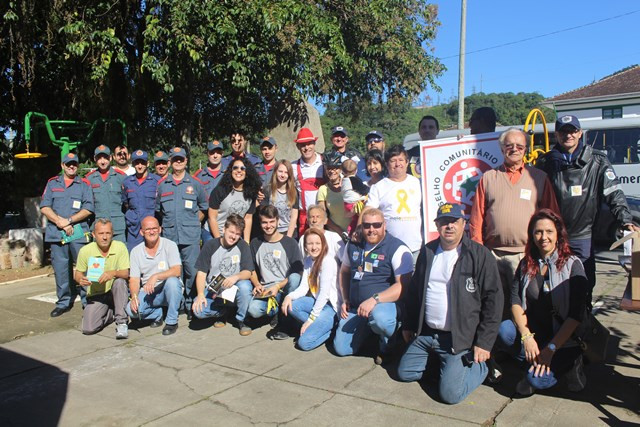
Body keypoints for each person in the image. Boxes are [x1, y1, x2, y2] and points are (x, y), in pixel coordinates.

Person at [397, 203, 503, 405]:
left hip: (459, 338)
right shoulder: (428, 251)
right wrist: (409, 324)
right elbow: (414, 293)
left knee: (450, 395)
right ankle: (445, 367)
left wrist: (484, 343)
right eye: (444, 222)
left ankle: (482, 366)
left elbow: (494, 301)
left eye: (454, 221)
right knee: (405, 372)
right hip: (428, 334)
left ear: (463, 224)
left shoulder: (479, 255)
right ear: (437, 226)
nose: (449, 226)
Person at [536, 115, 637, 309]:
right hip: (553, 236)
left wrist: (625, 219)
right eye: (564, 131)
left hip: (583, 236)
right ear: (557, 134)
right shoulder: (545, 162)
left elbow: (614, 193)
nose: (568, 135)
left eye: (572, 131)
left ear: (580, 133)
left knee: (584, 282)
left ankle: (584, 318)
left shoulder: (598, 161)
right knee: (552, 284)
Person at [496, 209, 588, 396]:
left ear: (558, 234)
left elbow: (576, 315)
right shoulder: (526, 264)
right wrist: (526, 337)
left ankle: (571, 365)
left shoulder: (573, 264)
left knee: (535, 380)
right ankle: (533, 363)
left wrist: (551, 348)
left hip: (563, 341)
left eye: (549, 231)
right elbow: (515, 301)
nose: (543, 237)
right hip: (535, 335)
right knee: (504, 330)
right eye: (538, 232)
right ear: (532, 235)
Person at [469, 128, 560, 319]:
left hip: (526, 254)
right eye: (509, 145)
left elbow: (552, 216)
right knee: (494, 306)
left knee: (527, 304)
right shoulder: (488, 177)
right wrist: (480, 251)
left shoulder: (539, 178)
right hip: (493, 254)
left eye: (519, 146)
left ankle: (525, 337)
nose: (514, 149)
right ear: (502, 149)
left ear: (526, 149)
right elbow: (477, 217)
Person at [333, 208, 413, 364]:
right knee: (341, 349)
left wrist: (374, 299)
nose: (371, 229)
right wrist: (345, 298)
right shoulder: (354, 244)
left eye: (376, 225)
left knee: (381, 319)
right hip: (357, 308)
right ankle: (371, 331)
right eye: (367, 225)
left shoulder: (397, 248)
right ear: (361, 226)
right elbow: (344, 272)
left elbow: (403, 286)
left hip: (383, 306)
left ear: (384, 225)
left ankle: (388, 344)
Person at [156, 147, 208, 319]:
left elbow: (204, 207)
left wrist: (193, 222)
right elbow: (159, 210)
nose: (178, 162)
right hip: (170, 236)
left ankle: (191, 303)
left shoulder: (195, 183)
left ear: (186, 161)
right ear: (170, 162)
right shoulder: (163, 185)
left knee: (192, 271)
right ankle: (176, 304)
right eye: (175, 159)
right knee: (174, 272)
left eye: (181, 159)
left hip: (190, 236)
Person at [40, 152, 94, 317]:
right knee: (61, 269)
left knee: (84, 268)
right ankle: (63, 302)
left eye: (74, 164)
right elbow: (45, 207)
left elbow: (88, 208)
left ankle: (88, 301)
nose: (71, 166)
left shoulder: (84, 184)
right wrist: (60, 222)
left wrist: (69, 221)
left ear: (77, 166)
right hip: (57, 233)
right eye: (68, 164)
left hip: (78, 232)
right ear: (62, 165)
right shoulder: (52, 183)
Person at [239, 205, 303, 337]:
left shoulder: (290, 243)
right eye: (264, 222)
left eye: (272, 221)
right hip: (267, 290)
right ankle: (276, 311)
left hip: (285, 287)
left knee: (295, 278)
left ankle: (286, 320)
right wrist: (257, 284)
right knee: (254, 310)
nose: (268, 226)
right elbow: (251, 269)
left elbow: (298, 271)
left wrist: (278, 286)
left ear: (278, 221)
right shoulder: (255, 243)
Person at [192, 214, 254, 335]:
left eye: (237, 234)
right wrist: (200, 294)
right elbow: (201, 273)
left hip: (234, 288)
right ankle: (222, 312)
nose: (234, 236)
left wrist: (235, 277)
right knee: (198, 310)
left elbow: (248, 272)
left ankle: (241, 319)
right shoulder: (210, 245)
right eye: (231, 232)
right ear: (224, 229)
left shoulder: (242, 246)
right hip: (214, 289)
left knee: (245, 286)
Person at [282, 228, 339, 350]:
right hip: (317, 302)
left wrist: (311, 320)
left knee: (304, 343)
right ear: (305, 247)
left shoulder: (327, 261)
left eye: (317, 243)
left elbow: (324, 294)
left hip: (330, 307)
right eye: (310, 243)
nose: (314, 247)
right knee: (292, 306)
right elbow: (304, 287)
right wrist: (289, 296)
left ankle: (332, 328)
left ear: (323, 244)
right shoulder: (308, 261)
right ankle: (319, 327)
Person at [366, 145, 423, 264]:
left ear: (407, 162)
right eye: (393, 161)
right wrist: (359, 229)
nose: (397, 164)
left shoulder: (418, 183)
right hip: (388, 248)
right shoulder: (379, 187)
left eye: (401, 160)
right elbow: (368, 211)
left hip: (415, 247)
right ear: (387, 164)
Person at [126, 216, 183, 336]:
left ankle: (172, 321)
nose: (152, 232)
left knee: (173, 282)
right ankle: (158, 313)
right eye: (148, 229)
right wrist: (134, 296)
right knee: (131, 311)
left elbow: (177, 270)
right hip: (149, 292)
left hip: (167, 290)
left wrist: (156, 276)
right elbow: (134, 279)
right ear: (141, 232)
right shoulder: (136, 251)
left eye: (154, 228)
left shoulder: (170, 245)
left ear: (160, 229)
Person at [74, 218, 130, 338]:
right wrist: (80, 279)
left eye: (108, 233)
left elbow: (126, 273)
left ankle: (122, 322)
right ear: (94, 235)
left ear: (112, 234)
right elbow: (78, 273)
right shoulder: (85, 251)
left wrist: (113, 273)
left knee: (120, 281)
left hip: (115, 291)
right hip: (97, 294)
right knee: (88, 329)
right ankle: (110, 313)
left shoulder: (120, 247)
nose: (104, 237)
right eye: (101, 233)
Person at [208, 157, 261, 243]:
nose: (239, 171)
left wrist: (246, 242)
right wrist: (218, 241)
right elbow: (212, 218)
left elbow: (248, 219)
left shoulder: (251, 193)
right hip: (215, 232)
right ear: (230, 171)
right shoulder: (220, 190)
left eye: (242, 168)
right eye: (235, 168)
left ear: (247, 172)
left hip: (235, 234)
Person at [85, 145, 126, 242]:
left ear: (110, 158)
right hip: (97, 227)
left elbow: (127, 202)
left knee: (119, 251)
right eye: (99, 158)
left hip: (117, 227)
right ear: (95, 159)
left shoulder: (121, 177)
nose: (103, 161)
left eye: (105, 158)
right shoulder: (89, 179)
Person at [122, 149, 159, 251]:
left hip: (151, 229)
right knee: (133, 256)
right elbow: (126, 204)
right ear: (133, 164)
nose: (139, 166)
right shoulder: (127, 182)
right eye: (137, 163)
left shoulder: (156, 181)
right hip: (134, 229)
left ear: (147, 163)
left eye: (142, 163)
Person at [292, 128, 325, 235]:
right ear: (298, 147)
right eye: (303, 145)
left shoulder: (325, 162)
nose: (306, 148)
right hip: (304, 218)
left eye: (309, 144)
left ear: (314, 144)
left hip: (324, 217)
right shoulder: (293, 167)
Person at [193, 140, 226, 243]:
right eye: (212, 152)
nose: (215, 156)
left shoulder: (229, 174)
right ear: (208, 153)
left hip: (226, 222)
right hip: (207, 225)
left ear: (222, 154)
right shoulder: (199, 176)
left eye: (218, 153)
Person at [261, 159, 299, 238]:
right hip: (272, 231)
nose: (283, 175)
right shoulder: (268, 190)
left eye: (286, 172)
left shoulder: (294, 192)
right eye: (280, 171)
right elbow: (264, 214)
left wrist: (288, 238)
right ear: (275, 172)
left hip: (289, 231)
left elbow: (294, 217)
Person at [317, 152, 350, 235]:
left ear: (341, 169)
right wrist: (340, 231)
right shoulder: (323, 189)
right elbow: (322, 215)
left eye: (335, 168)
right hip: (334, 233)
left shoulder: (349, 184)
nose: (332, 171)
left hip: (353, 230)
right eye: (329, 168)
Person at [341, 159, 369, 234]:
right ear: (356, 170)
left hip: (347, 204)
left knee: (355, 219)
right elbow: (363, 189)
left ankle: (350, 230)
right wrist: (369, 189)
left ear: (342, 171)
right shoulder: (353, 180)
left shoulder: (344, 180)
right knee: (360, 218)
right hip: (354, 203)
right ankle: (352, 231)